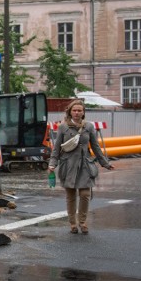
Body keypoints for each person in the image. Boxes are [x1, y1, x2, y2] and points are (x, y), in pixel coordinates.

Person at [47, 99, 114, 234]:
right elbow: (56, 149)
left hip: (85, 165)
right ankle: (73, 224)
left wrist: (105, 163)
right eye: (74, 110)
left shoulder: (89, 127)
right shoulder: (63, 127)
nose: (77, 113)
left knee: (84, 194)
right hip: (68, 166)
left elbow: (95, 147)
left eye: (79, 110)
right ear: (70, 112)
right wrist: (52, 164)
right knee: (71, 196)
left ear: (83, 113)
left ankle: (82, 222)